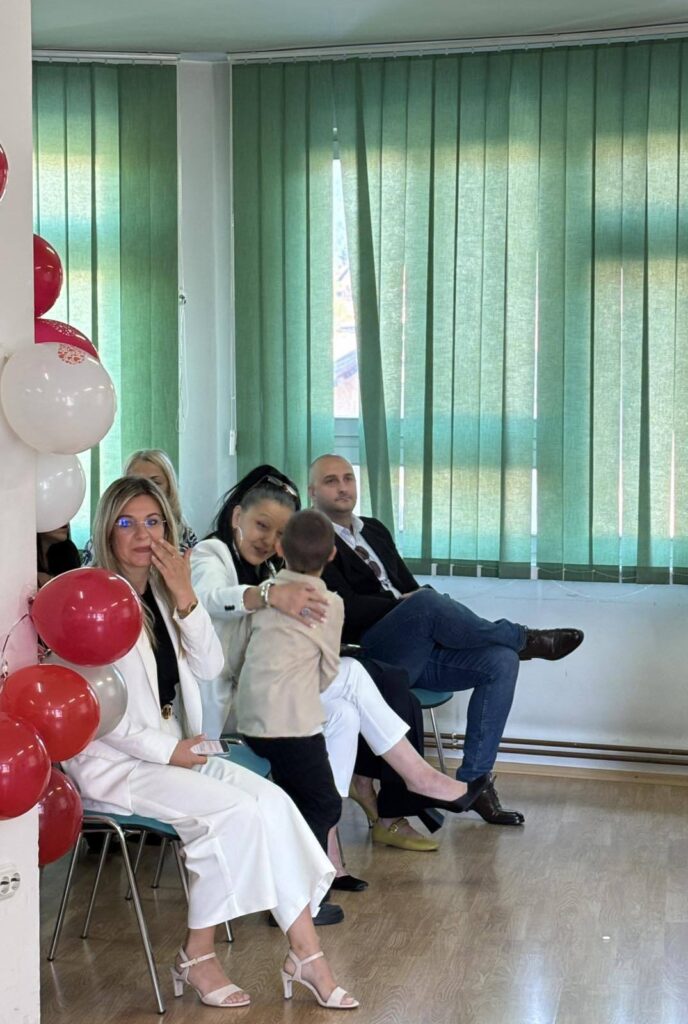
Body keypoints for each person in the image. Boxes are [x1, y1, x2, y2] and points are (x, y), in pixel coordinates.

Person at [65, 476, 357, 1011]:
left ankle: (306, 953)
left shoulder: (161, 592)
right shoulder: (92, 600)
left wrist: (184, 598)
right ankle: (199, 955)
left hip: (177, 749)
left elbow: (210, 665)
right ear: (106, 530)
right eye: (127, 522)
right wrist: (169, 752)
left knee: (273, 803)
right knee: (234, 814)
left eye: (153, 522)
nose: (142, 534)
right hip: (119, 764)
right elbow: (99, 711)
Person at [309, 454, 585, 827]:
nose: (343, 487)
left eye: (348, 478)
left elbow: (407, 585)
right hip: (368, 655)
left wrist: (418, 605)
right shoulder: (312, 538)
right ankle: (524, 638)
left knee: (500, 661)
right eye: (331, 481)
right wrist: (406, 606)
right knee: (427, 603)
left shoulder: (373, 529)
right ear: (313, 491)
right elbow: (345, 609)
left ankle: (475, 784)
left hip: (414, 647)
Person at [236, 509, 484, 862]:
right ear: (332, 554)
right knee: (353, 673)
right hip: (274, 714)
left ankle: (330, 854)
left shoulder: (267, 590)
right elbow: (325, 673)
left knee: (347, 713)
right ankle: (419, 778)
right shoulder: (325, 602)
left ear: (279, 548)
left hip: (260, 702)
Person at [82, 448, 197, 565]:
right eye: (126, 523)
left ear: (169, 487)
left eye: (155, 483)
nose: (144, 488)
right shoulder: (102, 536)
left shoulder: (185, 534)